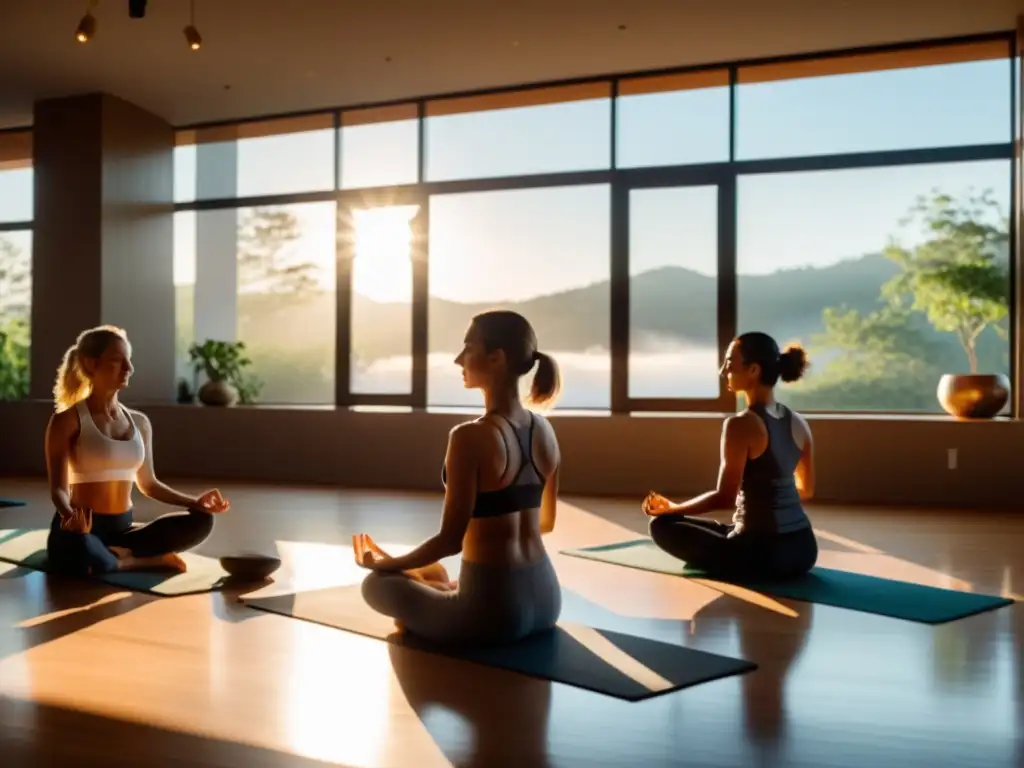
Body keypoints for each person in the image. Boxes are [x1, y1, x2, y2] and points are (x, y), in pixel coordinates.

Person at [354, 310, 563, 646]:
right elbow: (546, 523)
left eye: (468, 347)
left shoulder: (469, 437)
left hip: (491, 615)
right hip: (548, 601)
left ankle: (430, 590)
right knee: (429, 571)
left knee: (376, 585)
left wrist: (389, 563)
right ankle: (436, 586)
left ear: (496, 358)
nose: (457, 359)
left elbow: (450, 541)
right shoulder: (545, 430)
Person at [44, 325, 230, 577]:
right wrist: (69, 516)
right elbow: (58, 489)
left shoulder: (140, 423)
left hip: (123, 529)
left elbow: (149, 484)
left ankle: (113, 554)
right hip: (82, 528)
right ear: (90, 364)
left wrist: (194, 502)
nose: (128, 368)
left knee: (202, 520)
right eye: (117, 361)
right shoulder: (67, 420)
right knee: (76, 553)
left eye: (129, 361)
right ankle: (132, 562)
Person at [643, 331, 818, 581]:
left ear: (754, 370)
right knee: (729, 529)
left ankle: (740, 551)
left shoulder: (741, 425)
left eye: (730, 363)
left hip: (766, 556)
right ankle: (742, 536)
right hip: (804, 550)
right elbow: (807, 490)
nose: (723, 370)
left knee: (661, 526)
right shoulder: (799, 423)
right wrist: (768, 505)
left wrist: (672, 508)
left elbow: (725, 497)